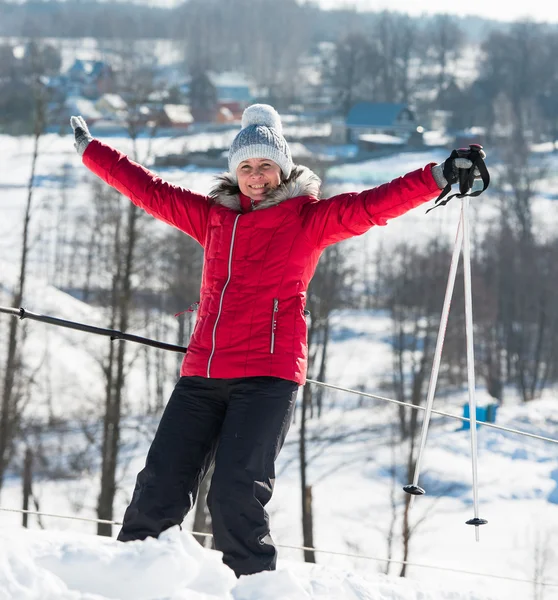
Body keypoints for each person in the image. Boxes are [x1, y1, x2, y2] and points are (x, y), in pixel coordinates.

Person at [70, 104, 484, 577]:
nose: (256, 175)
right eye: (246, 166)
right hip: (202, 373)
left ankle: (256, 588)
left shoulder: (307, 220)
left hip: (266, 379)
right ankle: (129, 581)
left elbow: (374, 204)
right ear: (234, 172)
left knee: (233, 497)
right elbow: (148, 190)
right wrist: (91, 151)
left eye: (265, 164)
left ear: (283, 168)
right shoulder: (212, 218)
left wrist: (437, 176)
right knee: (157, 489)